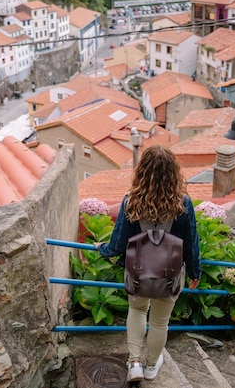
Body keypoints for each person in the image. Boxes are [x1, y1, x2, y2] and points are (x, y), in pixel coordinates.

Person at [94, 145, 201, 382]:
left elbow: (118, 243)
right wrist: (195, 272)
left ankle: (134, 364)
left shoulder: (130, 201)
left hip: (137, 273)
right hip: (170, 275)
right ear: (174, 172)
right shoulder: (183, 204)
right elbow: (191, 243)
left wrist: (102, 249)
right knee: (160, 322)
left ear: (142, 171)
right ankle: (152, 366)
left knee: (137, 310)